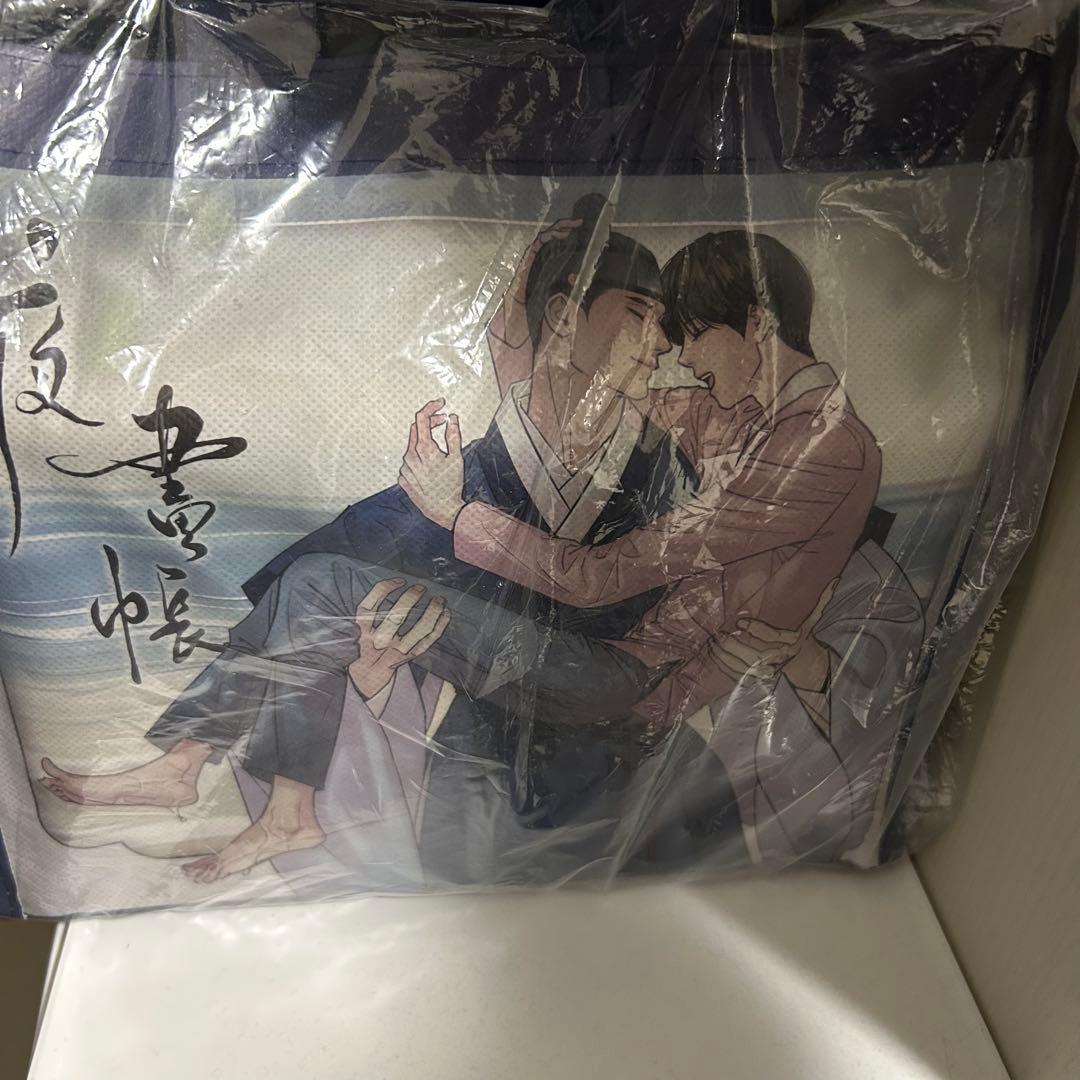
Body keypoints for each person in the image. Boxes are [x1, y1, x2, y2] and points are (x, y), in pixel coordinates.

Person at [40, 195, 710, 886]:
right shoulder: (498, 457)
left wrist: (452, 515)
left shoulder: (664, 470)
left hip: (605, 686)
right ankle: (249, 793)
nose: (660, 344)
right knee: (316, 584)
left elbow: (604, 585)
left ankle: (204, 772)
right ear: (565, 317)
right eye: (640, 316)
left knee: (317, 582)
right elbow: (519, 353)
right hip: (498, 714)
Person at [400, 223, 924, 865]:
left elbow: (601, 576)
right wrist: (531, 295)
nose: (682, 356)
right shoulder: (738, 415)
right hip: (633, 687)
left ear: (757, 322)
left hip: (640, 694)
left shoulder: (824, 445)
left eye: (695, 335)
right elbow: (562, 394)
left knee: (348, 592)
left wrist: (456, 514)